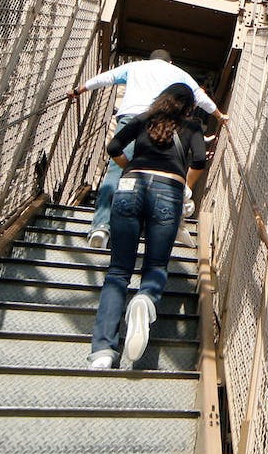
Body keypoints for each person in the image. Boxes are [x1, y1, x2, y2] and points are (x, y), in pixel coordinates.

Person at [87, 83, 207, 369]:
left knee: (118, 271)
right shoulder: (192, 126)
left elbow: (113, 146)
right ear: (189, 106)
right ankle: (145, 298)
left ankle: (103, 352)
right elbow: (200, 160)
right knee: (155, 266)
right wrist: (185, 186)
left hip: (131, 185)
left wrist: (129, 165)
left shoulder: (143, 118)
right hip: (168, 190)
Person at [67, 49, 228, 249]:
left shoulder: (134, 67)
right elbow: (199, 97)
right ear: (170, 62)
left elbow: (105, 78)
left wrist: (78, 90)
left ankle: (101, 226)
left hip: (130, 118)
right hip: (162, 122)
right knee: (159, 171)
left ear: (149, 59)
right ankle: (150, 228)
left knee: (115, 172)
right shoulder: (178, 73)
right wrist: (220, 116)